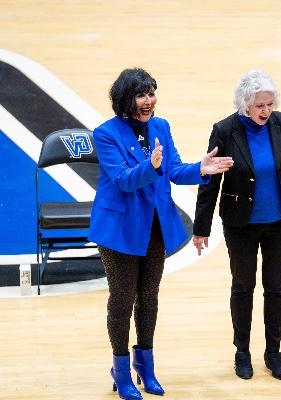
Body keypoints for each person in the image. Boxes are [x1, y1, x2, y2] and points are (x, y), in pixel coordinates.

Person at [89, 67, 233, 400]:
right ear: (126, 100)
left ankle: (146, 367)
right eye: (141, 94)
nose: (149, 101)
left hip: (155, 227)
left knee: (149, 299)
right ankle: (121, 371)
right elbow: (124, 180)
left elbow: (173, 171)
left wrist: (199, 169)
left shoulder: (161, 126)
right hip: (119, 232)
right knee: (122, 302)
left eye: (152, 93)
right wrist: (150, 166)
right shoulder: (106, 133)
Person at [193, 69, 281, 381]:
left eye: (269, 104)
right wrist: (201, 227)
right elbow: (209, 181)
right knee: (243, 286)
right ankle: (242, 351)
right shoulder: (225, 130)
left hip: (279, 221)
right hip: (240, 223)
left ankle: (273, 352)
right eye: (259, 106)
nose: (265, 111)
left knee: (276, 288)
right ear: (244, 105)